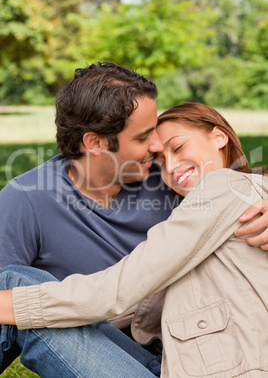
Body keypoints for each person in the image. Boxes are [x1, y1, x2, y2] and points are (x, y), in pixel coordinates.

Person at [0, 102, 267, 377]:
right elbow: (131, 307)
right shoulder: (218, 205)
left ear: (219, 136)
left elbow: (119, 289)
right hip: (163, 365)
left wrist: (22, 307)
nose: (171, 167)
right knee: (21, 286)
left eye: (178, 148)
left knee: (14, 286)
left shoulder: (222, 186)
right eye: (161, 162)